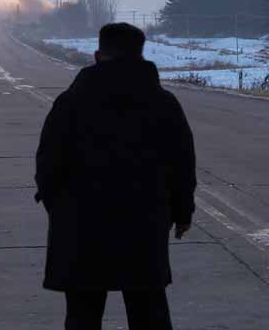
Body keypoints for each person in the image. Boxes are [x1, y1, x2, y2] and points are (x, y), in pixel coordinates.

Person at [35, 22, 197, 330]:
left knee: (82, 315)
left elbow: (48, 164)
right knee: (149, 312)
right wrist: (182, 212)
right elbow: (182, 164)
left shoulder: (70, 102)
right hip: (145, 225)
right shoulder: (163, 103)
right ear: (141, 55)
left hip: (81, 226)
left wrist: (60, 210)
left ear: (98, 56)